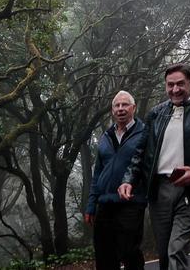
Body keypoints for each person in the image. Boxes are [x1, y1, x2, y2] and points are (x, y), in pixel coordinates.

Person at [118, 63, 190, 270]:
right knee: (164, 253)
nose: (175, 89)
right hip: (159, 190)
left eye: (180, 84)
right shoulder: (155, 114)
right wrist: (128, 180)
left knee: (176, 249)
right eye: (170, 85)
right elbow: (140, 153)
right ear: (165, 86)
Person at [85, 91, 148, 270]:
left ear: (133, 108)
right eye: (117, 106)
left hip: (131, 202)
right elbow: (98, 172)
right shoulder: (106, 137)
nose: (121, 109)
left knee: (130, 253)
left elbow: (147, 167)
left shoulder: (144, 134)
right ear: (112, 110)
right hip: (104, 203)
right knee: (104, 255)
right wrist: (91, 205)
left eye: (125, 104)